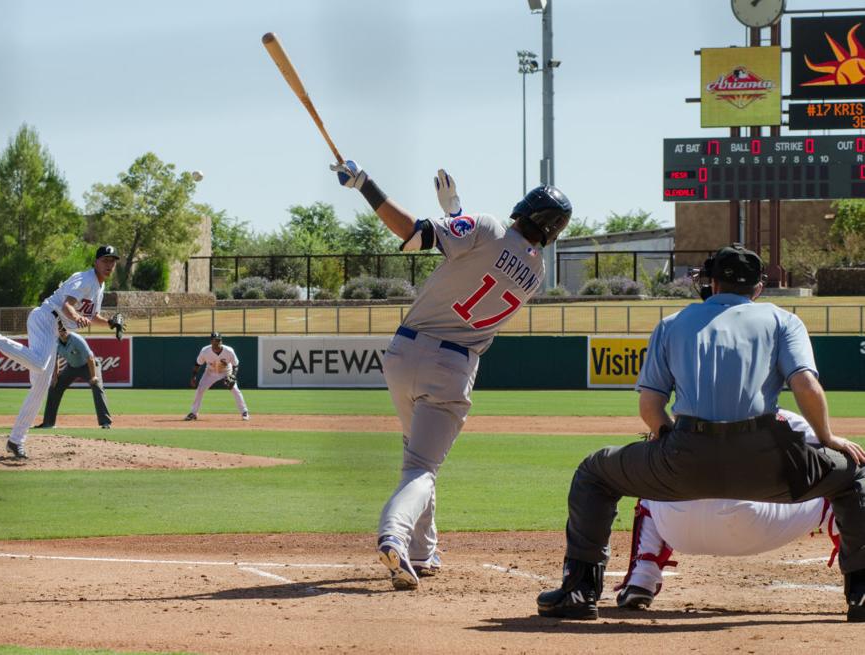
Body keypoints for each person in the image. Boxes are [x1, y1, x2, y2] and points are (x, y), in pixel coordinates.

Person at [536, 243, 865, 622]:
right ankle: (862, 593)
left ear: (710, 282)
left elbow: (650, 407)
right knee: (854, 473)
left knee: (594, 472)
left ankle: (579, 591)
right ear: (758, 288)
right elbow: (806, 386)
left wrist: (666, 439)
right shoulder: (782, 320)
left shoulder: (673, 322)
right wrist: (828, 439)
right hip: (766, 465)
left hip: (685, 457)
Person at [330, 160, 571, 590]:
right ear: (553, 231)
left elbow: (413, 236)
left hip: (403, 353)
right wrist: (457, 213)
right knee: (422, 466)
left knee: (416, 457)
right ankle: (395, 536)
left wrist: (366, 185)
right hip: (452, 365)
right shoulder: (537, 273)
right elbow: (490, 258)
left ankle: (423, 551)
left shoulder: (490, 226)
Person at [614, 409, 839, 610]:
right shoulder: (784, 419)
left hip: (679, 531)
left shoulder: (678, 422)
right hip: (753, 529)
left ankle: (641, 579)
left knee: (652, 481)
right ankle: (859, 582)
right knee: (834, 485)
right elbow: (830, 466)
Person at [0, 245, 125, 459]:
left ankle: (16, 440)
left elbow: (91, 315)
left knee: (40, 388)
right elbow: (68, 304)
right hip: (46, 318)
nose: (109, 265)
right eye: (105, 260)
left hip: (54, 328)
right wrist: (75, 316)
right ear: (96, 262)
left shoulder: (99, 286)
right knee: (41, 364)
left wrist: (109, 323)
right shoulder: (85, 278)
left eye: (113, 261)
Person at [35, 323, 113, 430]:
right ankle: (48, 423)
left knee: (97, 387)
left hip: (88, 365)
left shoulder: (76, 339)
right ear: (57, 332)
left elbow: (90, 357)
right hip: (72, 367)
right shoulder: (55, 342)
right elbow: (55, 359)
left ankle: (105, 422)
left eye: (65, 329)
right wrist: (55, 377)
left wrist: (93, 376)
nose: (63, 331)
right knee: (54, 387)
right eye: (60, 330)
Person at [184, 332, 249, 421]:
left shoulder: (229, 351)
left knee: (235, 389)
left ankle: (244, 412)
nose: (218, 342)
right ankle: (193, 413)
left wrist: (233, 376)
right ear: (211, 341)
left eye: (219, 340)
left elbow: (236, 364)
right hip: (210, 372)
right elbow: (197, 364)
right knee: (200, 389)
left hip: (226, 371)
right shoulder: (205, 351)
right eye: (215, 340)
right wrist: (194, 376)